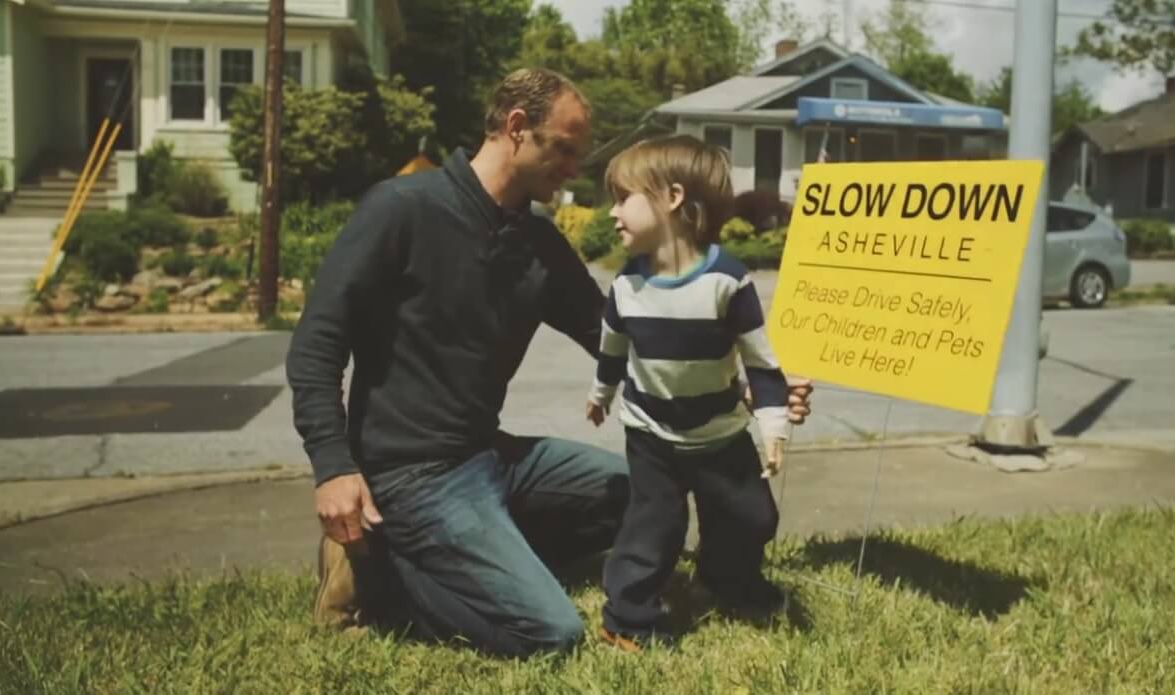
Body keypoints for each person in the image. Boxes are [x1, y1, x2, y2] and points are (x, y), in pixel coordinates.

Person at [286, 68, 814, 658]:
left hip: (490, 456)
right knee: (550, 632)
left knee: (639, 497)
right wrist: (334, 467)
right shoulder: (401, 209)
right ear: (517, 128)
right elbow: (316, 345)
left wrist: (746, 386)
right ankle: (382, 572)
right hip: (409, 472)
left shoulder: (536, 241)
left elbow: (620, 336)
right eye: (564, 150)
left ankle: (479, 552)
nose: (574, 169)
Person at [584, 136, 792, 651]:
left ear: (673, 198)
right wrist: (601, 393)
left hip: (719, 433)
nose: (613, 213)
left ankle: (727, 582)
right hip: (651, 433)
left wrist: (773, 424)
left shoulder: (727, 282)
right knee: (654, 526)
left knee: (752, 516)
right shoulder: (625, 287)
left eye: (623, 198)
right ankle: (626, 619)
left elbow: (761, 363)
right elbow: (612, 351)